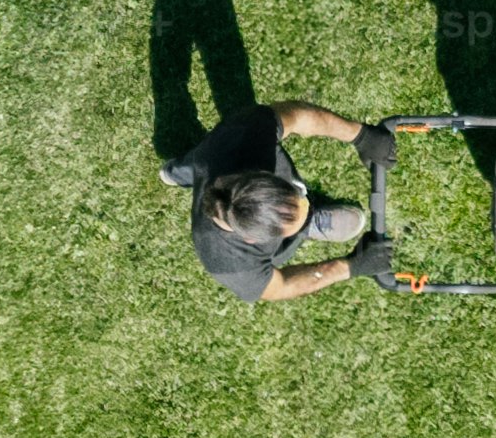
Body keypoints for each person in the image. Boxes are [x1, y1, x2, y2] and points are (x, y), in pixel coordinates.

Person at [168, 99, 397, 302]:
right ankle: (178, 172)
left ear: (265, 177)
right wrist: (348, 267)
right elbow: (280, 287)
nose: (304, 205)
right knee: (197, 163)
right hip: (219, 161)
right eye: (294, 222)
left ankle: (176, 171)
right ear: (251, 239)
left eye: (298, 201)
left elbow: (297, 116)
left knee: (202, 159)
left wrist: (360, 135)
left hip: (222, 151)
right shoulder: (230, 263)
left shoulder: (248, 135)